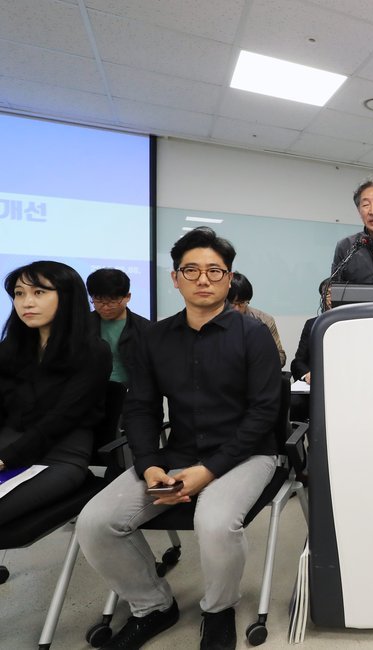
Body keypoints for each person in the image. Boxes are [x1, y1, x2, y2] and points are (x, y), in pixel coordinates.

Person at [78, 227, 281, 650]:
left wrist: (209, 471)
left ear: (228, 278)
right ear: (175, 278)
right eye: (191, 270)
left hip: (247, 454)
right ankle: (153, 606)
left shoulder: (253, 335)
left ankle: (219, 610)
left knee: (215, 522)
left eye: (214, 270)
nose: (203, 279)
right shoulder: (154, 338)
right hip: (178, 452)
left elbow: (263, 413)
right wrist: (149, 464)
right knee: (96, 522)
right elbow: (141, 407)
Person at [0, 261, 111, 526]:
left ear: (67, 296)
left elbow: (62, 418)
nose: (26, 302)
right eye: (19, 293)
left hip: (58, 456)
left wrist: (5, 458)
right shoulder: (9, 349)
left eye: (39, 292)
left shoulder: (93, 352)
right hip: (7, 446)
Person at [86, 268, 151, 387]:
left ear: (127, 296)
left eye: (112, 301)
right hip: (91, 389)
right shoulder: (82, 325)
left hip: (130, 391)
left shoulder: (145, 328)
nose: (105, 307)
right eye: (98, 301)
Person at [289, 279, 331, 421]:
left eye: (335, 294)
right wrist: (306, 374)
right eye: (328, 294)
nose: (331, 299)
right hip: (315, 384)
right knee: (295, 402)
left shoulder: (352, 325)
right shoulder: (312, 324)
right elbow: (298, 362)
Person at [227, 271, 286, 366]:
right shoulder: (214, 320)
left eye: (241, 303)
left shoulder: (264, 320)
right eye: (232, 303)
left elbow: (280, 357)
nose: (236, 309)